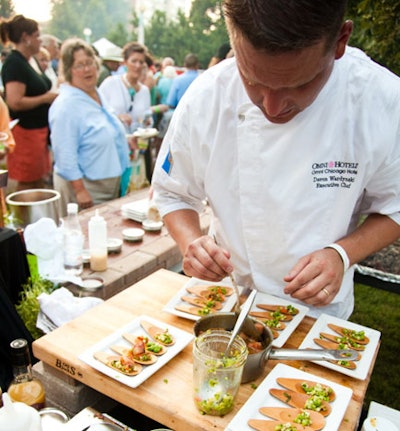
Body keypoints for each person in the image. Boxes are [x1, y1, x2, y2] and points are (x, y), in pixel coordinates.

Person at [152, 0, 400, 320]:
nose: (271, 107)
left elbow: (396, 207)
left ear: (340, 41)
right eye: (252, 79)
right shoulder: (204, 99)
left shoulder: (382, 101)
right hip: (227, 298)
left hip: (319, 313)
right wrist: (192, 242)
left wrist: (342, 254)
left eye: (298, 84)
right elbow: (172, 192)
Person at [49, 38, 130, 216]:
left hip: (108, 185)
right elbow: (65, 153)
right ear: (69, 71)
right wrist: (79, 190)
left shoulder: (96, 93)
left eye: (89, 62)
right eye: (79, 65)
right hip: (86, 188)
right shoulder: (66, 105)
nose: (86, 69)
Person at [0, 15, 58, 192]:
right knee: (27, 185)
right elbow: (15, 102)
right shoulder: (14, 63)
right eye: (37, 36)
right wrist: (46, 98)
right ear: (26, 37)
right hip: (25, 134)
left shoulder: (28, 62)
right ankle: (22, 219)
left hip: (37, 133)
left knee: (37, 183)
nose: (40, 40)